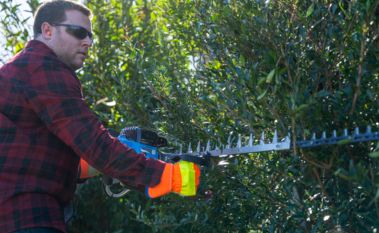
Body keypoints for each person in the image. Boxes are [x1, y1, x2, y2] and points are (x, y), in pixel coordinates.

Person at [0, 1, 200, 233]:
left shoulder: (19, 69)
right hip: (26, 216)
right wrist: (164, 175)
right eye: (78, 32)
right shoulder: (44, 68)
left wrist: (91, 165)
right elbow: (92, 141)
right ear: (47, 30)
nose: (87, 42)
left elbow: (27, 152)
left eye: (90, 36)